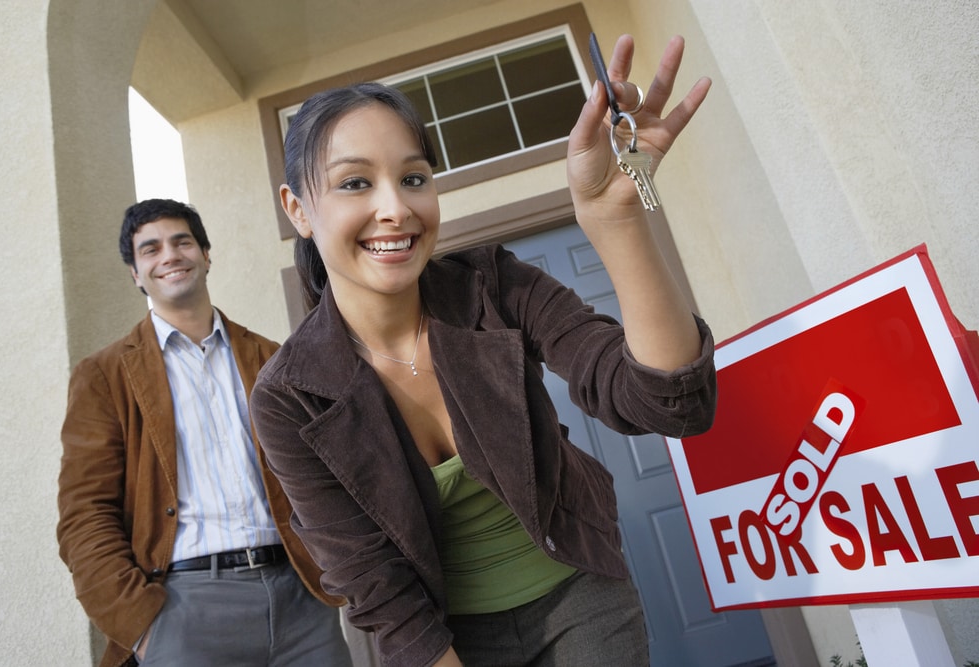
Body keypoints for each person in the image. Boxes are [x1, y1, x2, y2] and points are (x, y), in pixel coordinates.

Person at [250, 33, 716, 667]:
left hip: (582, 591)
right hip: (443, 636)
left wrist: (616, 220)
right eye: (355, 183)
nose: (396, 208)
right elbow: (376, 587)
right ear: (298, 210)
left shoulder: (492, 284)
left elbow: (666, 406)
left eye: (413, 177)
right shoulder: (288, 396)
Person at [57, 199, 354, 667]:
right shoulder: (104, 376)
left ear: (206, 254)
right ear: (136, 273)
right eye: (150, 249)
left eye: (181, 242)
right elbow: (84, 515)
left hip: (301, 601)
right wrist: (141, 626)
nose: (169, 255)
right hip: (184, 610)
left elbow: (325, 475)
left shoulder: (272, 359)